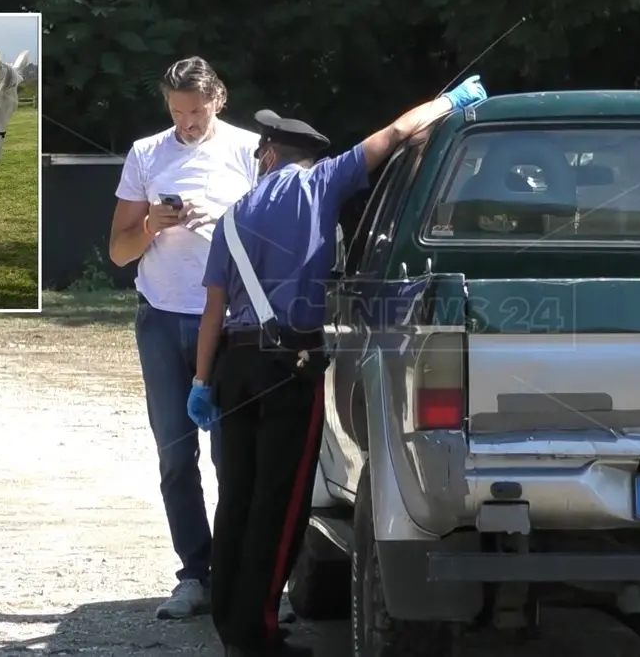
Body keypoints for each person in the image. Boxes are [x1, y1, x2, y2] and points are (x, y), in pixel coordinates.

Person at [189, 75, 489, 656]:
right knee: (280, 506)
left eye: (259, 152)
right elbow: (402, 129)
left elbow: (212, 311)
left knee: (238, 497)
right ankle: (259, 636)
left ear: (271, 153)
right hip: (288, 366)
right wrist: (451, 101)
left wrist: (201, 383)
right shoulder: (322, 182)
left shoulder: (232, 216)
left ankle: (232, 623)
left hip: (235, 366)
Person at [108, 56, 260, 620]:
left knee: (233, 454)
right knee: (175, 454)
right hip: (162, 318)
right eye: (176, 112)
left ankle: (243, 573)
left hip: (229, 322)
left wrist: (222, 220)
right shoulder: (148, 153)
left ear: (218, 98)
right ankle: (194, 573)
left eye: (196, 112)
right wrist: (152, 223)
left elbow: (274, 236)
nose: (187, 124)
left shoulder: (248, 150)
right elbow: (119, 252)